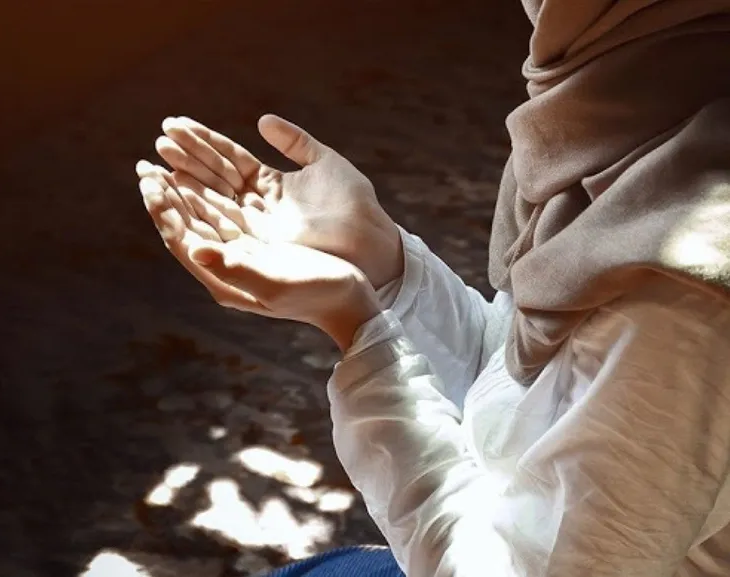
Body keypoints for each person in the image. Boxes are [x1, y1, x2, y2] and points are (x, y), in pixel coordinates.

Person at [136, 1, 730, 575]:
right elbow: (525, 401)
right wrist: (385, 268)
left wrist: (355, 323)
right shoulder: (640, 97)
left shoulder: (686, 296)